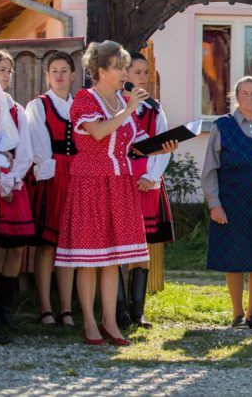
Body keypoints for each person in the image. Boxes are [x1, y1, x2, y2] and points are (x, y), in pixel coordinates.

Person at [55, 41, 172, 346]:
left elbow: (137, 144)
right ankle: (90, 323)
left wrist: (164, 145)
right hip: (91, 182)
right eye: (119, 67)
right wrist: (130, 108)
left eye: (124, 67)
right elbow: (97, 132)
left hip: (120, 183)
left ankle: (110, 322)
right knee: (89, 258)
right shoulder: (85, 99)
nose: (124, 73)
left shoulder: (121, 100)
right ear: (101, 70)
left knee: (112, 258)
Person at [202, 76, 252, 329]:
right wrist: (214, 204)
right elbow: (209, 169)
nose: (249, 98)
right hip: (230, 201)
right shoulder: (222, 126)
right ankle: (237, 314)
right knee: (234, 258)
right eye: (244, 93)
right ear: (236, 97)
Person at [115, 52, 175, 330]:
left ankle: (137, 312)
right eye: (137, 72)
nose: (143, 78)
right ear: (125, 74)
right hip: (120, 180)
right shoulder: (114, 103)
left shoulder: (154, 108)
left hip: (146, 182)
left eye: (146, 73)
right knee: (118, 247)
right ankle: (118, 311)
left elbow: (164, 145)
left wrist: (151, 177)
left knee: (142, 247)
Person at [26, 50, 78, 328]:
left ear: (73, 75)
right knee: (47, 244)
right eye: (54, 71)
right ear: (48, 76)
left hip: (77, 177)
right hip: (51, 175)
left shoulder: (80, 106)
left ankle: (66, 309)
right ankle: (45, 307)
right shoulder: (39, 106)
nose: (59, 75)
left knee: (69, 245)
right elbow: (37, 144)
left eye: (63, 70)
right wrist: (51, 168)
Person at [0, 50, 34, 337]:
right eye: (2, 69)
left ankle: (5, 308)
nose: (7, 74)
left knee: (16, 247)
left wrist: (12, 180)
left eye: (9, 70)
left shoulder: (15, 109)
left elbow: (25, 150)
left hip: (14, 182)